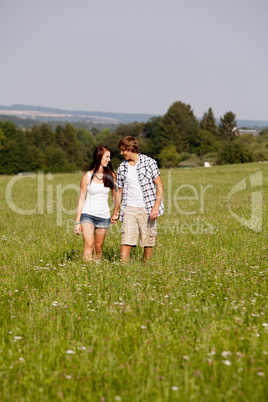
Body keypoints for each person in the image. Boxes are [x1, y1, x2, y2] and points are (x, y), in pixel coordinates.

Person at [111, 136, 164, 262]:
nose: (121, 153)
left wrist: (155, 207)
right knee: (126, 240)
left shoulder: (149, 162)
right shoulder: (122, 167)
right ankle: (123, 271)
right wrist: (116, 211)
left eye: (123, 150)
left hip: (148, 209)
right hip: (129, 209)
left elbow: (160, 187)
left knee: (148, 242)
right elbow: (120, 191)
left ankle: (147, 268)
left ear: (130, 149)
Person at [74, 146, 116, 262]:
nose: (109, 160)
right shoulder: (87, 177)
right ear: (99, 157)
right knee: (89, 244)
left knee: (98, 248)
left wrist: (116, 212)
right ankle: (87, 271)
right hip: (88, 214)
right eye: (107, 157)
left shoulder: (111, 176)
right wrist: (77, 222)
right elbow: (81, 199)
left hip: (103, 216)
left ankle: (96, 273)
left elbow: (114, 196)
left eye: (109, 157)